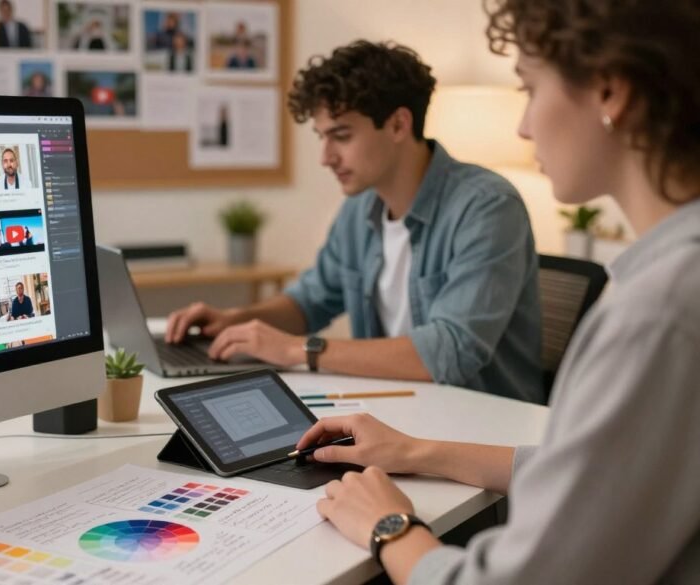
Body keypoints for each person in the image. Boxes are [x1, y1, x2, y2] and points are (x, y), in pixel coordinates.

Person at [300, 1, 700, 583]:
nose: (524, 125)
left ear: (611, 92)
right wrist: (412, 451)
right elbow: (595, 471)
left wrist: (390, 528)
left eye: (530, 89)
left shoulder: (657, 314)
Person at [166, 40, 543, 404]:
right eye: (321, 137)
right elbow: (310, 301)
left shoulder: (487, 208)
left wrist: (299, 349)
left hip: (482, 425)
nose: (325, 157)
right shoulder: (360, 208)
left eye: (341, 136)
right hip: (398, 411)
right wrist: (237, 320)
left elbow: (450, 351)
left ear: (398, 125)